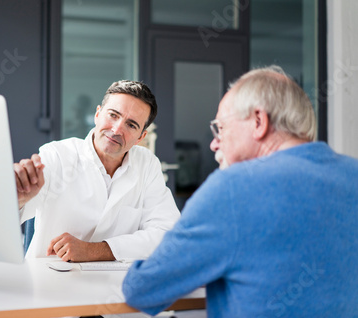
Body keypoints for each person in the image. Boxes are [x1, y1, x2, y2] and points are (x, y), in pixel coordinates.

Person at [122, 66, 358, 317]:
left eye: (220, 128)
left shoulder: (232, 188)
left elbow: (142, 289)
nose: (214, 143)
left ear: (259, 121)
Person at [14, 80, 180, 262]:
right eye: (113, 115)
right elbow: (10, 215)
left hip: (114, 285)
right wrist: (20, 198)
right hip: (51, 280)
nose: (117, 130)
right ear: (98, 114)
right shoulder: (56, 155)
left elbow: (167, 234)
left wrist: (94, 250)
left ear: (141, 137)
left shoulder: (147, 164)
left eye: (131, 125)